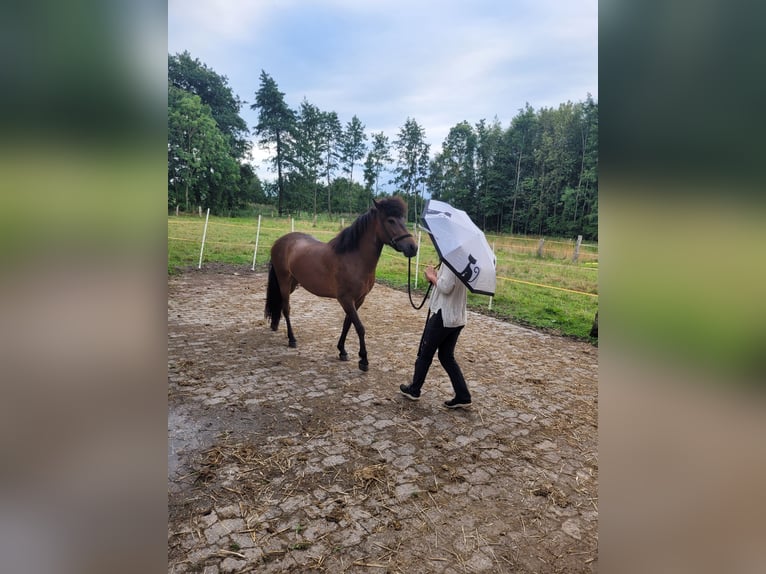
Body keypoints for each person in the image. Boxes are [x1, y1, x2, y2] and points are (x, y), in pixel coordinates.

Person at [400, 262, 472, 409]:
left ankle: (414, 389)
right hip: (456, 317)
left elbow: (446, 287)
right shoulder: (464, 262)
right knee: (446, 356)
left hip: (443, 315)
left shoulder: (451, 261)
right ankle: (463, 396)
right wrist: (436, 276)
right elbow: (448, 283)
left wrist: (431, 276)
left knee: (425, 353)